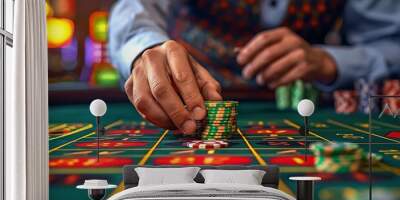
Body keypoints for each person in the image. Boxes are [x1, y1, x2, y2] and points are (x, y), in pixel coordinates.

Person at [109, 0, 400, 135]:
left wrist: (328, 61)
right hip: (188, 97)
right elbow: (133, 9)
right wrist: (146, 49)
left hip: (302, 101)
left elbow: (390, 43)